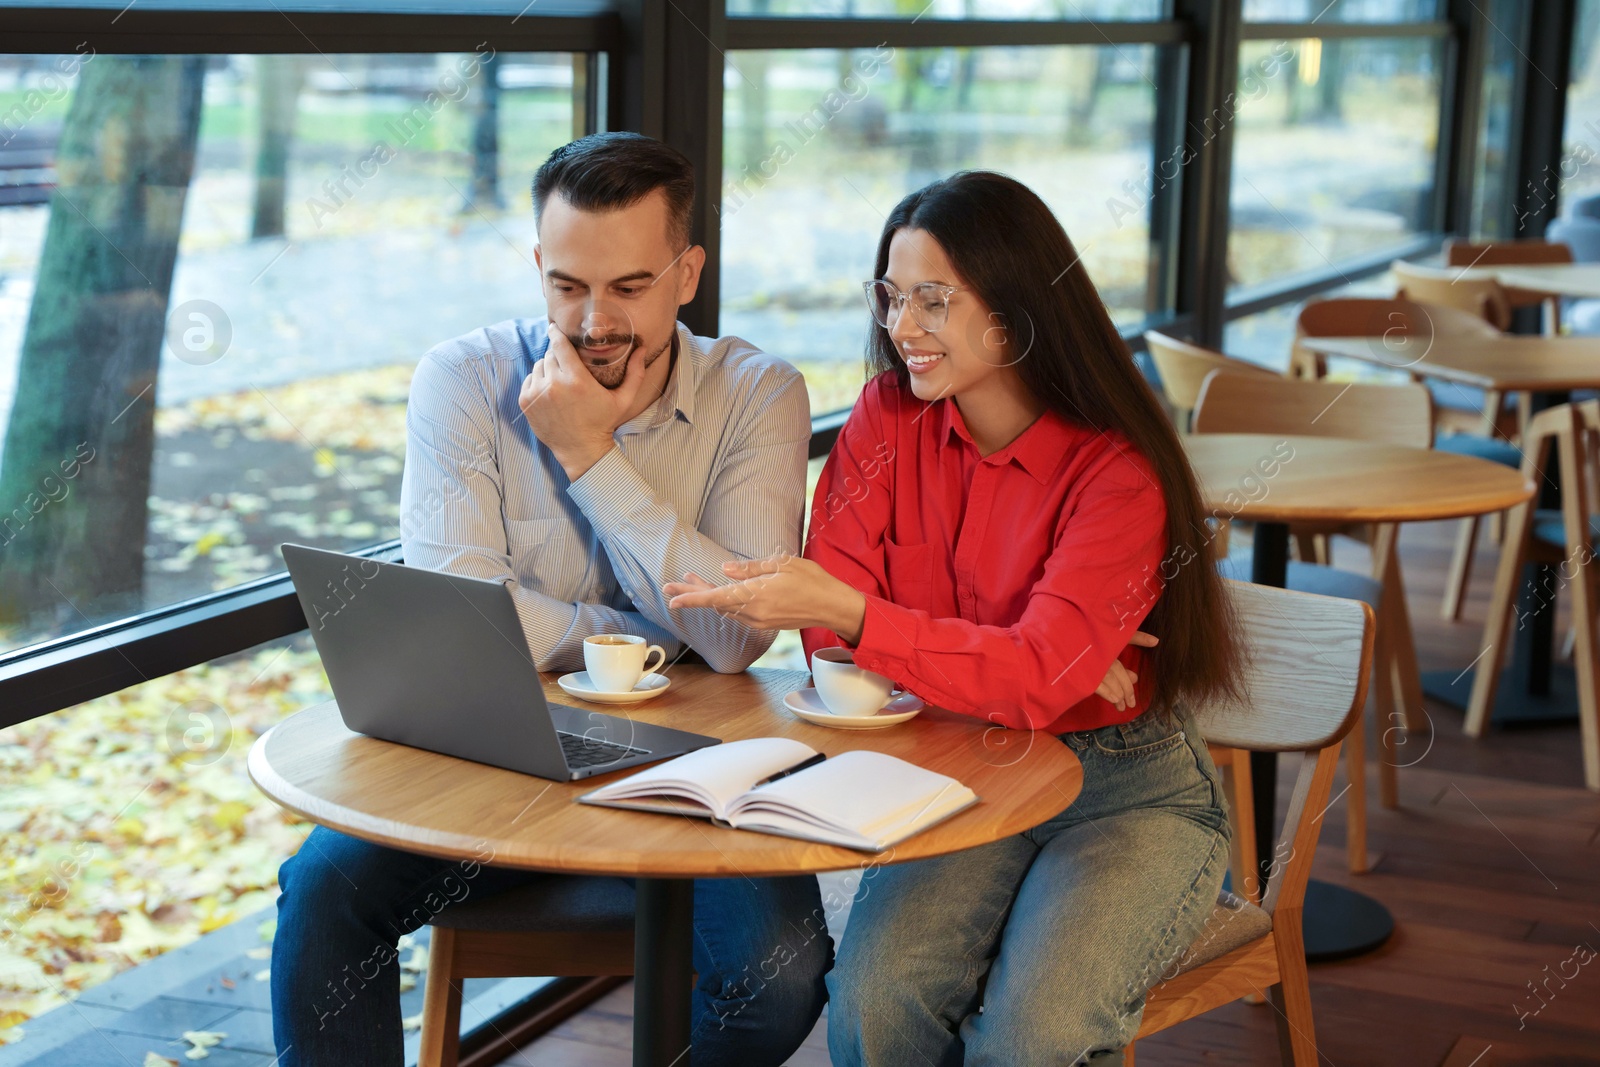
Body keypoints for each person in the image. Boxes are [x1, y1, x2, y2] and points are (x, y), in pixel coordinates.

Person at [271, 132, 830, 1066]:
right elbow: (462, 618)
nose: (594, 321)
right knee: (323, 892)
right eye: (567, 285)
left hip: (705, 764)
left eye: (629, 287)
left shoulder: (757, 393)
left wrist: (588, 455)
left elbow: (734, 641)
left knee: (778, 979)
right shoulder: (463, 379)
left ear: (686, 272)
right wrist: (655, 629)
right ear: (538, 265)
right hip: (504, 750)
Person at [665, 170, 1244, 1066]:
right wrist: (1018, 655)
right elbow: (832, 644)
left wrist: (958, 642)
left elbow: (865, 615)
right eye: (892, 298)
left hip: (1127, 789)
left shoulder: (1117, 472)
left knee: (1031, 1037)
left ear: (1016, 305)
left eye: (933, 299)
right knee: (871, 1009)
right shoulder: (886, 420)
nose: (902, 329)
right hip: (959, 756)